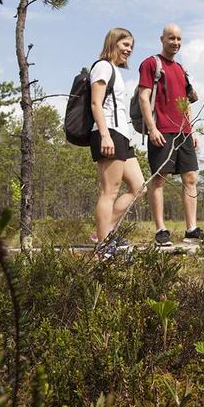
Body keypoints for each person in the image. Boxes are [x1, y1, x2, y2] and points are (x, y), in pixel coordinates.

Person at [137, 24, 204, 247]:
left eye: (179, 39)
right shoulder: (151, 63)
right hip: (162, 130)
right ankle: (161, 230)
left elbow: (186, 103)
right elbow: (143, 97)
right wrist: (152, 128)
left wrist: (192, 130)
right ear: (162, 39)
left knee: (191, 178)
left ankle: (191, 229)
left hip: (183, 132)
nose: (176, 43)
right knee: (159, 179)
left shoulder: (181, 68)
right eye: (171, 38)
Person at [90, 28, 145, 252]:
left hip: (121, 135)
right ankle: (104, 245)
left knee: (139, 186)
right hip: (108, 132)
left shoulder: (114, 70)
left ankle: (104, 231)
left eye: (131, 46)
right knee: (109, 191)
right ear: (113, 43)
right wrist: (104, 134)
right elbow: (96, 103)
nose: (129, 49)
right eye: (125, 44)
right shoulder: (102, 66)